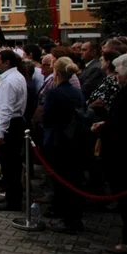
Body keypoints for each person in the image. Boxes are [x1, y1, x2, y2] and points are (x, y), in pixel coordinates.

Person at [92, 54, 127, 254]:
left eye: (119, 73)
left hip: (122, 152)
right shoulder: (124, 90)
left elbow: (123, 124)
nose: (116, 76)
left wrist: (105, 128)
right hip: (116, 147)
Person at [43, 57, 86, 234]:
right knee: (73, 179)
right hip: (74, 139)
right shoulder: (77, 92)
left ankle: (69, 219)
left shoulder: (55, 93)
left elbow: (47, 118)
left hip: (58, 139)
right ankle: (69, 215)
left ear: (57, 72)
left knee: (62, 180)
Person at [0, 49, 27, 211]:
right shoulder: (15, 77)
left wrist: (0, 133)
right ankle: (12, 195)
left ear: (7, 63)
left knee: (10, 165)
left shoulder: (10, 81)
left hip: (9, 126)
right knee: (12, 165)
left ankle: (13, 201)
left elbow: (6, 109)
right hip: (15, 124)